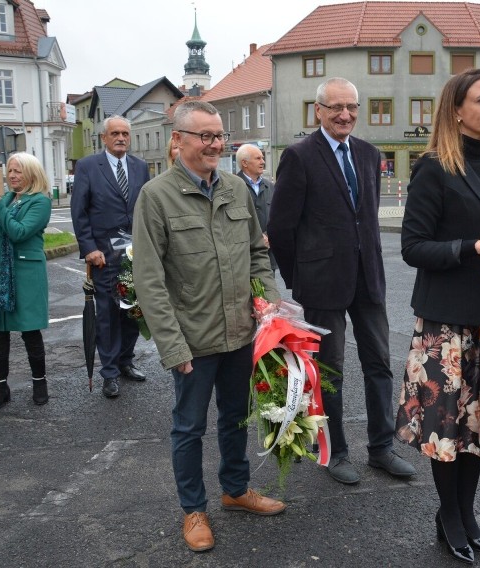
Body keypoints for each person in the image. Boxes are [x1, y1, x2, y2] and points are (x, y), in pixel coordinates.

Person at [133, 101, 285, 553]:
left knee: (236, 418)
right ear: (177, 140)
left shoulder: (237, 189)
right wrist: (172, 345)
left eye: (219, 136)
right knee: (189, 428)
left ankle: (235, 490)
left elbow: (259, 253)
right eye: (206, 136)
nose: (216, 144)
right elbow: (149, 279)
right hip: (193, 341)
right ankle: (193, 510)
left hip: (241, 332)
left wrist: (271, 305)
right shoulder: (156, 196)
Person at [394, 69, 480, 564]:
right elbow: (414, 246)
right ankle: (448, 516)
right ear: (456, 109)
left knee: (478, 423)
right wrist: (477, 246)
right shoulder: (434, 167)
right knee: (447, 426)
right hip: (448, 324)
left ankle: (467, 514)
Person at [268, 77, 416, 485]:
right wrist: (299, 279)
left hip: (368, 279)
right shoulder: (299, 157)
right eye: (335, 107)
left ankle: (381, 448)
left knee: (380, 365)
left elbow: (363, 219)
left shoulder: (369, 155)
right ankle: (336, 453)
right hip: (321, 283)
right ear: (318, 111)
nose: (345, 115)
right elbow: (280, 228)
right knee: (329, 370)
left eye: (351, 107)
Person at [71, 116, 151, 398]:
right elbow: (79, 211)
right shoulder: (88, 167)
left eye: (125, 134)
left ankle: (126, 361)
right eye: (115, 133)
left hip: (135, 253)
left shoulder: (141, 167)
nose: (121, 138)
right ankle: (109, 373)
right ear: (104, 138)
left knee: (132, 311)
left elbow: (147, 209)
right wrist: (89, 248)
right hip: (104, 256)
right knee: (107, 316)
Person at [0, 153, 52, 409]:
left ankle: (39, 384)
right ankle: (0, 388)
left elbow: (18, 232)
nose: (13, 175)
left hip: (26, 275)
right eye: (10, 170)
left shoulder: (39, 201)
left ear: (31, 174)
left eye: (18, 171)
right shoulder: (6, 198)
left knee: (30, 332)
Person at [235, 144, 276, 272]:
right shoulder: (233, 186)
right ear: (244, 163)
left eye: (262, 158)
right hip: (243, 256)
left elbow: (277, 216)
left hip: (267, 254)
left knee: (267, 290)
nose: (263, 162)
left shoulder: (270, 186)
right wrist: (255, 239)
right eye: (258, 158)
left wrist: (268, 236)